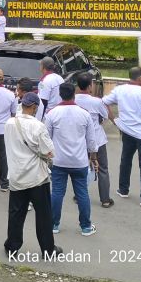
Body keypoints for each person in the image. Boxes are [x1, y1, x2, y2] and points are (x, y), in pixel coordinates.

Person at [3, 92, 60, 259]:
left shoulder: (9, 123)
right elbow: (50, 152)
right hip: (37, 177)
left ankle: (12, 247)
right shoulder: (38, 126)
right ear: (35, 107)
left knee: (16, 214)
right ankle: (48, 249)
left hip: (16, 175)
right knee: (43, 215)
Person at [44, 82, 98, 236]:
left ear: (60, 94)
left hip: (59, 161)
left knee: (57, 193)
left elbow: (47, 138)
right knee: (82, 193)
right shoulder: (84, 113)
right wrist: (93, 158)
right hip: (79, 161)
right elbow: (92, 141)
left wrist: (48, 156)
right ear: (74, 93)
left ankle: (54, 224)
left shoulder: (52, 114)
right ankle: (86, 226)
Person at [103, 67, 141, 205]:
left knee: (125, 160)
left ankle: (123, 189)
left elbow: (104, 102)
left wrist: (113, 119)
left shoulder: (119, 89)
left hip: (126, 131)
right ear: (139, 78)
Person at [75, 73, 113, 208]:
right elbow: (106, 116)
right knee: (102, 168)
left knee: (81, 167)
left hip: (80, 139)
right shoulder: (96, 101)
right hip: (97, 140)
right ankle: (105, 199)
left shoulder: (74, 100)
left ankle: (79, 195)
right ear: (90, 85)